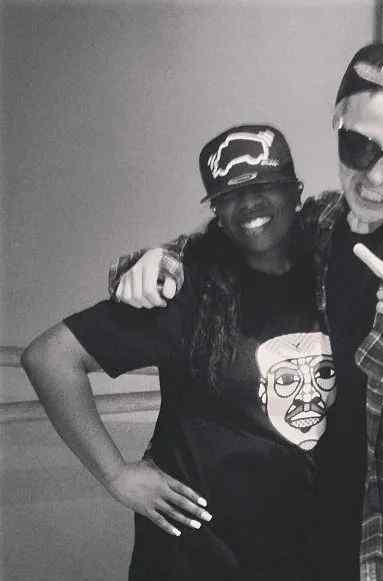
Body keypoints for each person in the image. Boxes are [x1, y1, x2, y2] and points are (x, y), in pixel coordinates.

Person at [107, 40, 383, 581]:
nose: (376, 177)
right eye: (359, 147)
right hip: (332, 531)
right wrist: (161, 259)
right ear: (338, 124)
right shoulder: (322, 223)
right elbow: (237, 240)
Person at [21, 124, 338, 581]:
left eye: (263, 187)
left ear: (294, 192)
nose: (249, 204)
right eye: (230, 195)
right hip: (197, 557)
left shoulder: (333, 279)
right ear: (217, 212)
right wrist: (115, 475)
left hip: (309, 548)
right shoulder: (188, 290)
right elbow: (50, 357)